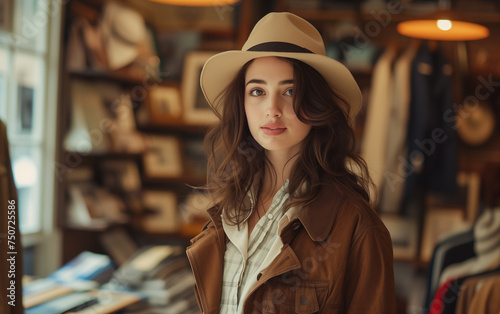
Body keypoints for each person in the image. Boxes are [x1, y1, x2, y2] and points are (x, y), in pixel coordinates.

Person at [186, 12, 396, 314]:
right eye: (257, 91)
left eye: (290, 91)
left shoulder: (358, 228)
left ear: (317, 103)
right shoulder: (227, 211)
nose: (272, 109)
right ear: (242, 103)